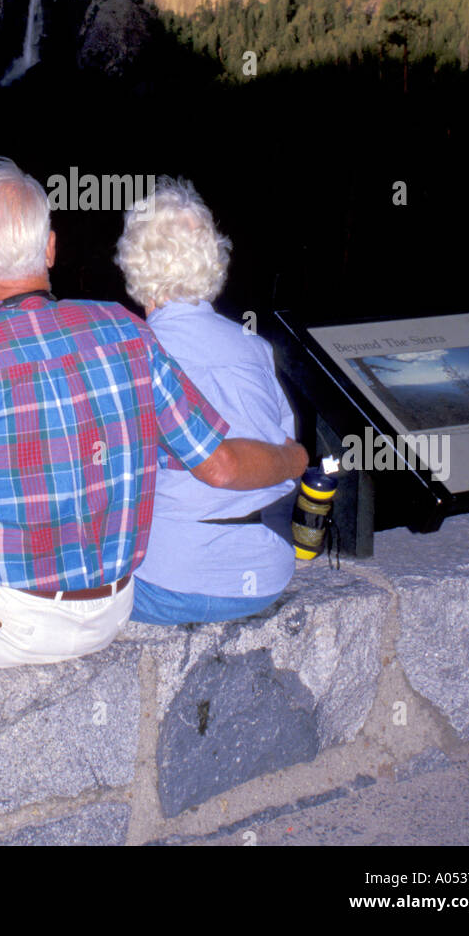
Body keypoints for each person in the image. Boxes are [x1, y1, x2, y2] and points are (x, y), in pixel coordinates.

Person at [0, 158, 307, 666]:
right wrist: (294, 460)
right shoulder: (127, 333)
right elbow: (216, 462)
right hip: (112, 609)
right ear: (49, 247)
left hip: (3, 617)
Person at [115, 176, 300, 625]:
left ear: (134, 267)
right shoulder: (254, 348)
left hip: (169, 584)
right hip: (267, 573)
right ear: (213, 261)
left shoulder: (132, 354)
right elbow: (284, 450)